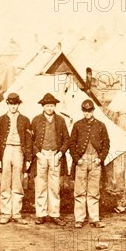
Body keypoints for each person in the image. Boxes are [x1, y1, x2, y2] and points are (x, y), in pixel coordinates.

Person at [69, 99, 110, 229]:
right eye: (84, 111)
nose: (87, 113)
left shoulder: (101, 125)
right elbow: (71, 144)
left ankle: (94, 218)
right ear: (82, 111)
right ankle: (79, 219)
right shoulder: (77, 125)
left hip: (95, 161)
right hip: (82, 161)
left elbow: (106, 144)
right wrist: (77, 159)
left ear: (93, 111)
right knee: (79, 191)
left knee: (93, 191)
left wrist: (100, 158)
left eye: (89, 111)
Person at [31, 93, 70, 226]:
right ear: (43, 106)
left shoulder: (60, 120)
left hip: (55, 155)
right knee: (41, 185)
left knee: (54, 187)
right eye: (47, 105)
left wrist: (60, 153)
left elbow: (67, 139)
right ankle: (41, 214)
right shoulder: (36, 120)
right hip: (41, 155)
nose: (49, 108)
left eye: (52, 105)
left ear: (55, 106)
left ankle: (54, 214)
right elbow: (30, 140)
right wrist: (37, 154)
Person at [0, 93, 32, 225]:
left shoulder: (25, 120)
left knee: (18, 182)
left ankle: (16, 213)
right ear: (7, 104)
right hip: (5, 151)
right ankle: (6, 213)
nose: (13, 107)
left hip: (18, 151)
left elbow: (28, 141)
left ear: (18, 104)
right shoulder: (0, 120)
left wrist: (28, 158)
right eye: (11, 104)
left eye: (15, 104)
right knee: (5, 182)